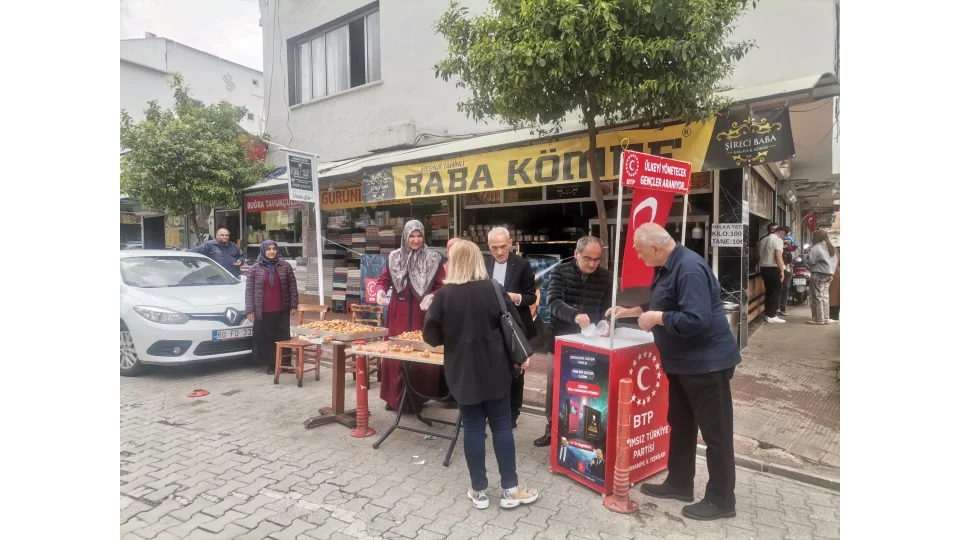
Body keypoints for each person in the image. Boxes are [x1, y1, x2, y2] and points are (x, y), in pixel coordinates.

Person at [607, 223, 741, 521]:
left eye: (642, 254)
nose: (641, 259)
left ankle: (721, 500)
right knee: (680, 423)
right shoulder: (669, 265)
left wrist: (657, 317)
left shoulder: (690, 268)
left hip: (707, 364)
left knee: (716, 434)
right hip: (682, 363)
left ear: (656, 248)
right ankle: (680, 482)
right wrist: (633, 310)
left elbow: (696, 319)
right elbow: (665, 300)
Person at [423, 240, 539, 511]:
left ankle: (479, 491)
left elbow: (431, 336)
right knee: (501, 427)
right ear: (477, 260)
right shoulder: (494, 289)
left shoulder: (444, 295)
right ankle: (510, 490)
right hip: (496, 370)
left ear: (454, 263)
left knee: (473, 429)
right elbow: (516, 324)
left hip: (462, 372)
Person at [534, 236, 614, 448]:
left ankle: (584, 434)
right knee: (555, 387)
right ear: (576, 254)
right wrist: (575, 315)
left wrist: (608, 323)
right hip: (560, 339)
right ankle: (551, 430)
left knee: (587, 388)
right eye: (587, 258)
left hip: (592, 344)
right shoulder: (560, 271)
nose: (592, 264)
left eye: (597, 259)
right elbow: (552, 302)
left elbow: (608, 310)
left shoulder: (606, 277)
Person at [375, 220, 445, 413]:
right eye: (412, 236)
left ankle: (416, 399)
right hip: (398, 312)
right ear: (405, 237)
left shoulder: (433, 258)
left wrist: (432, 295)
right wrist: (380, 291)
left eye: (419, 236)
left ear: (424, 236)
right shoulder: (394, 257)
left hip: (421, 314)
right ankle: (393, 398)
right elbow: (384, 280)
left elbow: (442, 285)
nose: (415, 240)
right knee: (395, 353)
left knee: (419, 354)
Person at [485, 227, 539, 429]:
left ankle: (513, 413)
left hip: (517, 326)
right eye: (495, 248)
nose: (499, 252)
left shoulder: (522, 264)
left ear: (510, 244)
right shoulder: (485, 264)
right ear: (489, 247)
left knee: (517, 371)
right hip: (493, 326)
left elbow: (532, 297)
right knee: (495, 371)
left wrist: (515, 298)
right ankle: (495, 410)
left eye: (503, 247)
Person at [245, 240, 299, 373]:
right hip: (263, 310)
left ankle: (286, 363)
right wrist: (250, 310)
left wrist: (293, 304)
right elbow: (249, 291)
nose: (271, 251)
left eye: (274, 249)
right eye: (268, 249)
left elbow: (292, 287)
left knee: (284, 336)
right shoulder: (255, 269)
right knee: (268, 338)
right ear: (263, 250)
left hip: (282, 308)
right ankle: (272, 365)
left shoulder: (284, 266)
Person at [804, 230, 839, 325]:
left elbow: (811, 261)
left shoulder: (816, 247)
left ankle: (819, 319)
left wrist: (806, 259)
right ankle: (826, 318)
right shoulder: (831, 247)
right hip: (829, 274)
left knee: (817, 296)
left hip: (818, 273)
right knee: (825, 296)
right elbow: (835, 261)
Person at [758, 227, 787, 324]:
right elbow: (778, 256)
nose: (784, 238)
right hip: (773, 268)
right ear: (782, 233)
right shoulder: (777, 240)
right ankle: (771, 315)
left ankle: (768, 314)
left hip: (763, 268)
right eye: (785, 235)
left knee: (769, 291)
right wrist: (782, 271)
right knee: (776, 292)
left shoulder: (763, 240)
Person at [779, 228, 797, 317]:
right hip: (778, 267)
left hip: (788, 267)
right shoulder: (777, 242)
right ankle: (776, 307)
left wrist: (788, 243)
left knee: (786, 287)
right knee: (778, 288)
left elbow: (795, 246)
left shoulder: (789, 244)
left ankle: (783, 308)